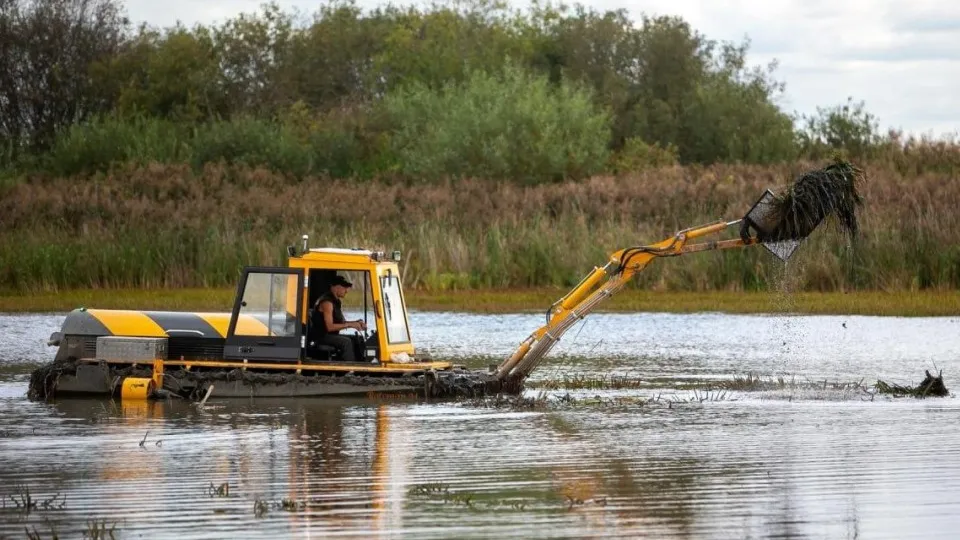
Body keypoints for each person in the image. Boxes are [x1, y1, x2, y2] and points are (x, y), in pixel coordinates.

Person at [313, 275, 367, 361]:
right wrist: (351, 325)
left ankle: (362, 364)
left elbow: (342, 322)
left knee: (358, 339)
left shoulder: (336, 302)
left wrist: (356, 322)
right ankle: (350, 369)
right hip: (323, 336)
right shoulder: (327, 303)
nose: (346, 291)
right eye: (344, 287)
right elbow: (330, 327)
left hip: (331, 335)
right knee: (346, 342)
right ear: (336, 287)